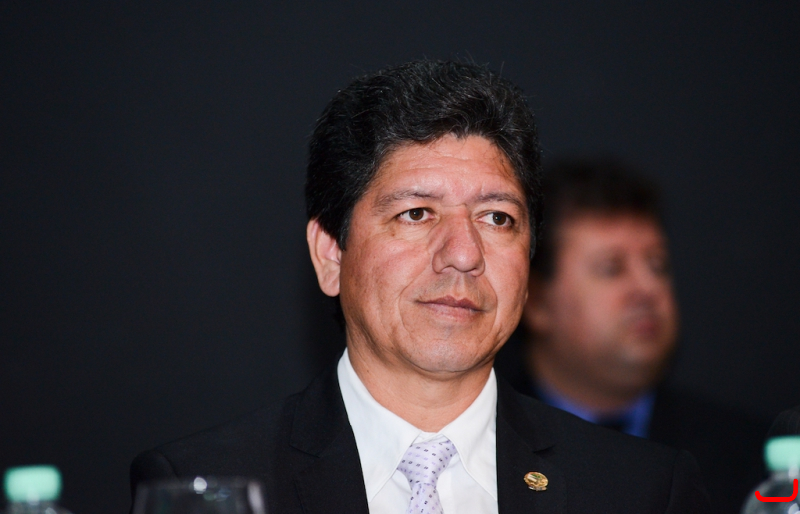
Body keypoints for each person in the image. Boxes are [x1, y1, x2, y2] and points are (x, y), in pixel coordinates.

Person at [130, 61, 710, 513]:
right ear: (331, 254)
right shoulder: (208, 485)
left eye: (497, 218)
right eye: (416, 214)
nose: (464, 254)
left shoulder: (641, 490)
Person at [494, 159, 768, 514]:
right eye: (612, 268)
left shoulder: (749, 462)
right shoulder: (483, 444)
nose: (647, 289)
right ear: (537, 301)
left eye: (658, 265)